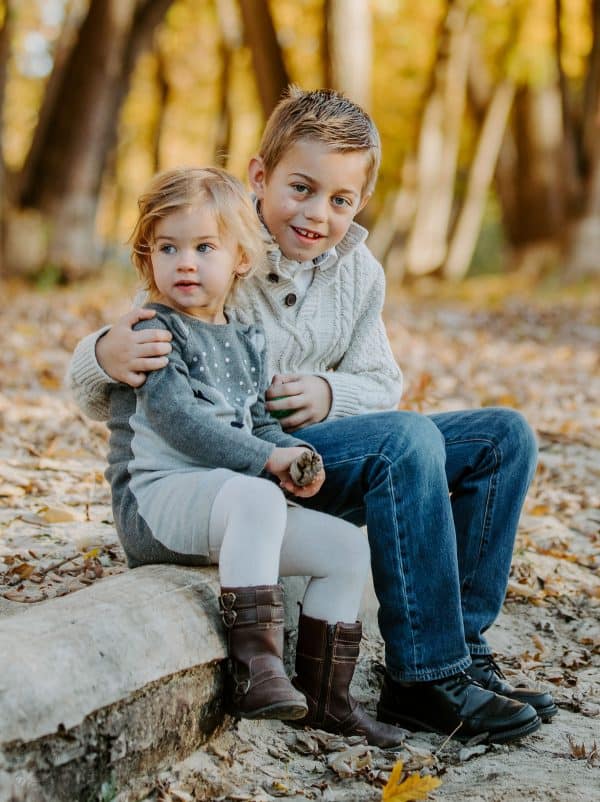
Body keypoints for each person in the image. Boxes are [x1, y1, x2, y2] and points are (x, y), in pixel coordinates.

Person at [70, 88, 557, 744]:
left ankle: (462, 654)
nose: (316, 214)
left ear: (359, 205)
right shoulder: (218, 245)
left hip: (322, 454)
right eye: (301, 188)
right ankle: (424, 678)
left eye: (340, 200)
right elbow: (123, 358)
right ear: (260, 177)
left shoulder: (358, 272)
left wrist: (330, 394)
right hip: (243, 468)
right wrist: (104, 351)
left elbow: (383, 379)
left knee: (503, 437)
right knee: (406, 439)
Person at [105, 165, 404, 748]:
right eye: (168, 248)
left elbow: (261, 421)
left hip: (228, 505)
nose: (185, 262)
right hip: (158, 503)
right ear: (149, 258)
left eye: (203, 247)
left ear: (241, 258)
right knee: (257, 492)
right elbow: (183, 425)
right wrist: (266, 466)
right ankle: (257, 669)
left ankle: (326, 700)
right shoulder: (154, 331)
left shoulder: (246, 338)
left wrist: (294, 454)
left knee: (346, 547)